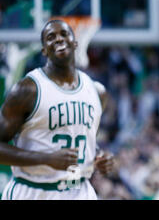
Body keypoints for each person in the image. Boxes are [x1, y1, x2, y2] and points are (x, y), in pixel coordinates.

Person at [0, 19, 114, 200]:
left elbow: (82, 138)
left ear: (75, 42)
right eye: (51, 37)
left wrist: (98, 156)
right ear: (44, 50)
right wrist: (46, 158)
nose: (59, 39)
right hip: (33, 191)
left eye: (64, 34)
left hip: (79, 190)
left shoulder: (97, 92)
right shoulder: (27, 90)